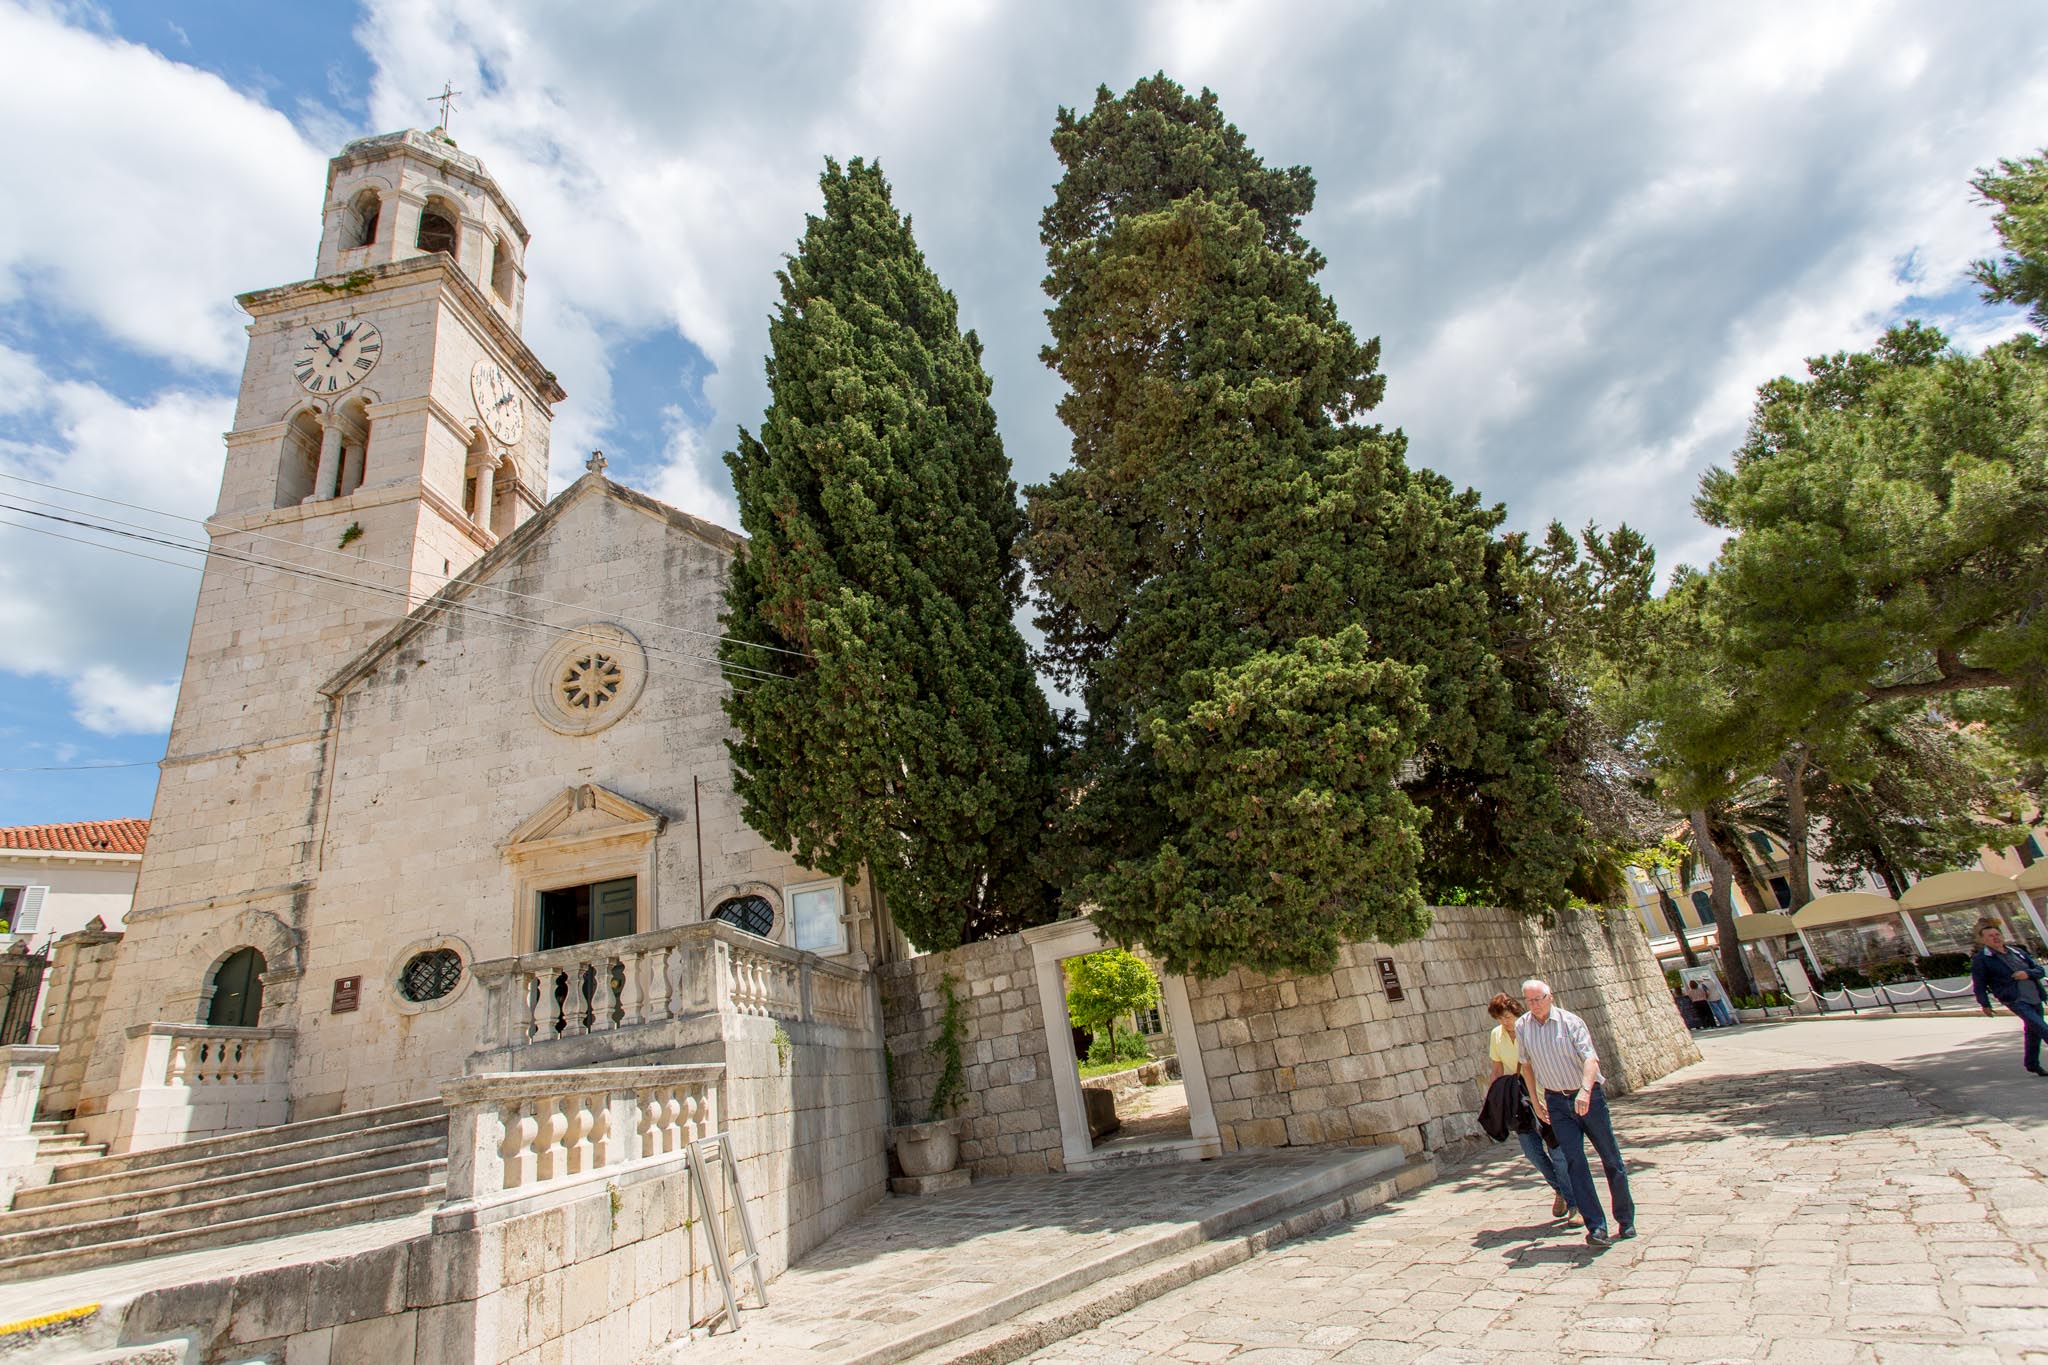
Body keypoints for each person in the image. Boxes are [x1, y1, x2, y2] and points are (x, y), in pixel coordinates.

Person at [1518, 978, 1636, 1247]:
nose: (1534, 1005)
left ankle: (1625, 1219)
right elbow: (1526, 1066)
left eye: (1538, 999)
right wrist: (1536, 1104)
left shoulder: (1570, 1022)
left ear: (1550, 996)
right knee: (1574, 1162)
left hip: (1587, 1097)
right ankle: (1596, 1226)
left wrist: (1584, 1090)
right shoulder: (1523, 1026)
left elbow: (1590, 1060)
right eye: (1529, 1000)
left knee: (1610, 1158)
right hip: (1556, 1102)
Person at [1482, 992, 1581, 1226]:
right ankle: (1561, 1190)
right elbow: (1497, 1069)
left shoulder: (1530, 1029)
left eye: (1507, 1016)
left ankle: (1574, 1204)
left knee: (1557, 1152)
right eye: (1500, 1018)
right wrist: (1492, 1098)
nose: (1505, 1022)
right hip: (1520, 1101)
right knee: (1532, 1152)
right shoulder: (1496, 1036)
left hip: (1543, 1094)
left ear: (1516, 1012)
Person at [1972, 919, 2048, 1077]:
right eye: (1990, 936)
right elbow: (1979, 983)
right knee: (2043, 1028)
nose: (1995, 938)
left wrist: (2027, 974)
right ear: (1983, 940)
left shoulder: (2017, 952)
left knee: (2033, 1031)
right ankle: (2032, 1063)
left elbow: (2039, 970)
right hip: (2015, 999)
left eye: (1997, 934)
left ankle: (2032, 1064)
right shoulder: (1982, 959)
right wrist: (1984, 1003)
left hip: (2034, 996)